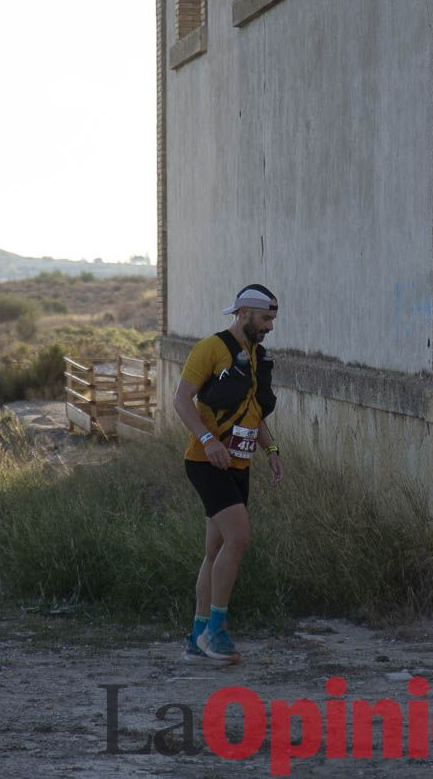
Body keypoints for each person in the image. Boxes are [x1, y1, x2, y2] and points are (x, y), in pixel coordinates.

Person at [173, 283, 283, 663]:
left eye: (272, 319)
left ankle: (197, 634)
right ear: (243, 314)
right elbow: (181, 400)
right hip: (206, 461)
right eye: (265, 318)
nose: (269, 326)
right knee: (239, 536)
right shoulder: (210, 349)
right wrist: (208, 440)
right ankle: (217, 632)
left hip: (239, 462)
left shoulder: (255, 357)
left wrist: (271, 450)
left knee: (216, 549)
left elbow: (253, 412)